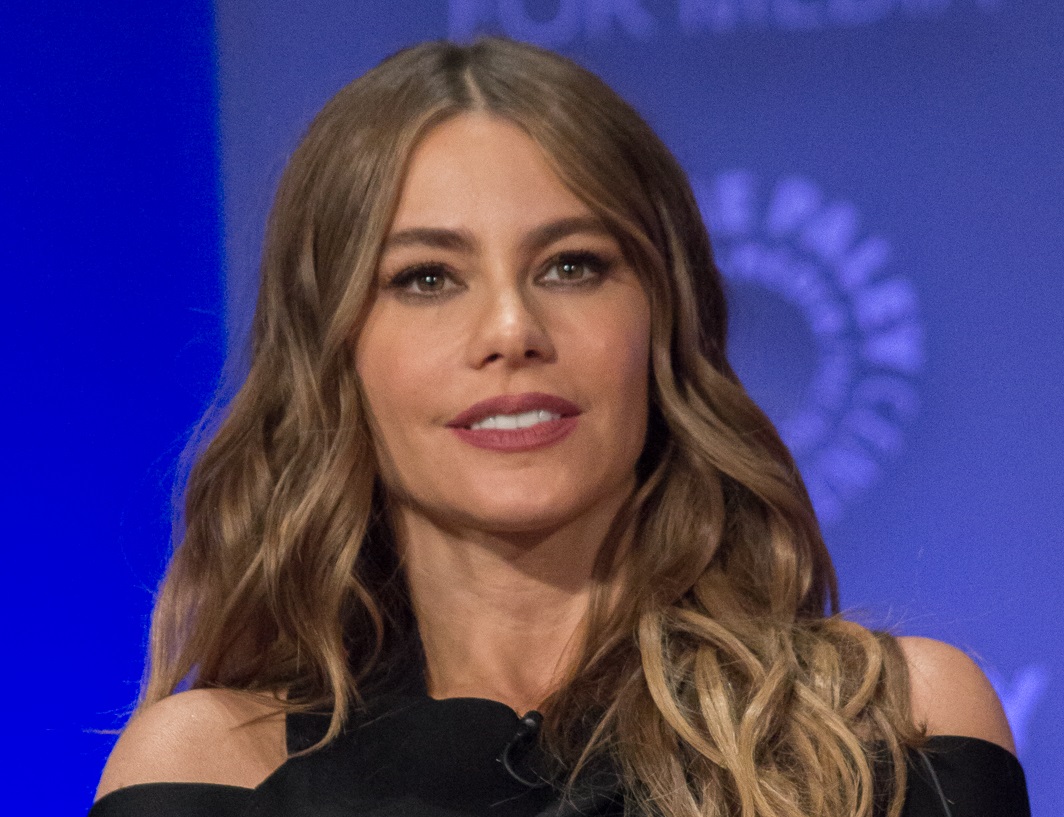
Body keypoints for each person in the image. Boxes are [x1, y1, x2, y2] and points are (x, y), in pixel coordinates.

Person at [91, 37, 1029, 817]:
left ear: (664, 318)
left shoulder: (894, 721)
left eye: (573, 265)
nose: (511, 331)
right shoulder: (213, 769)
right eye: (425, 278)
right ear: (334, 353)